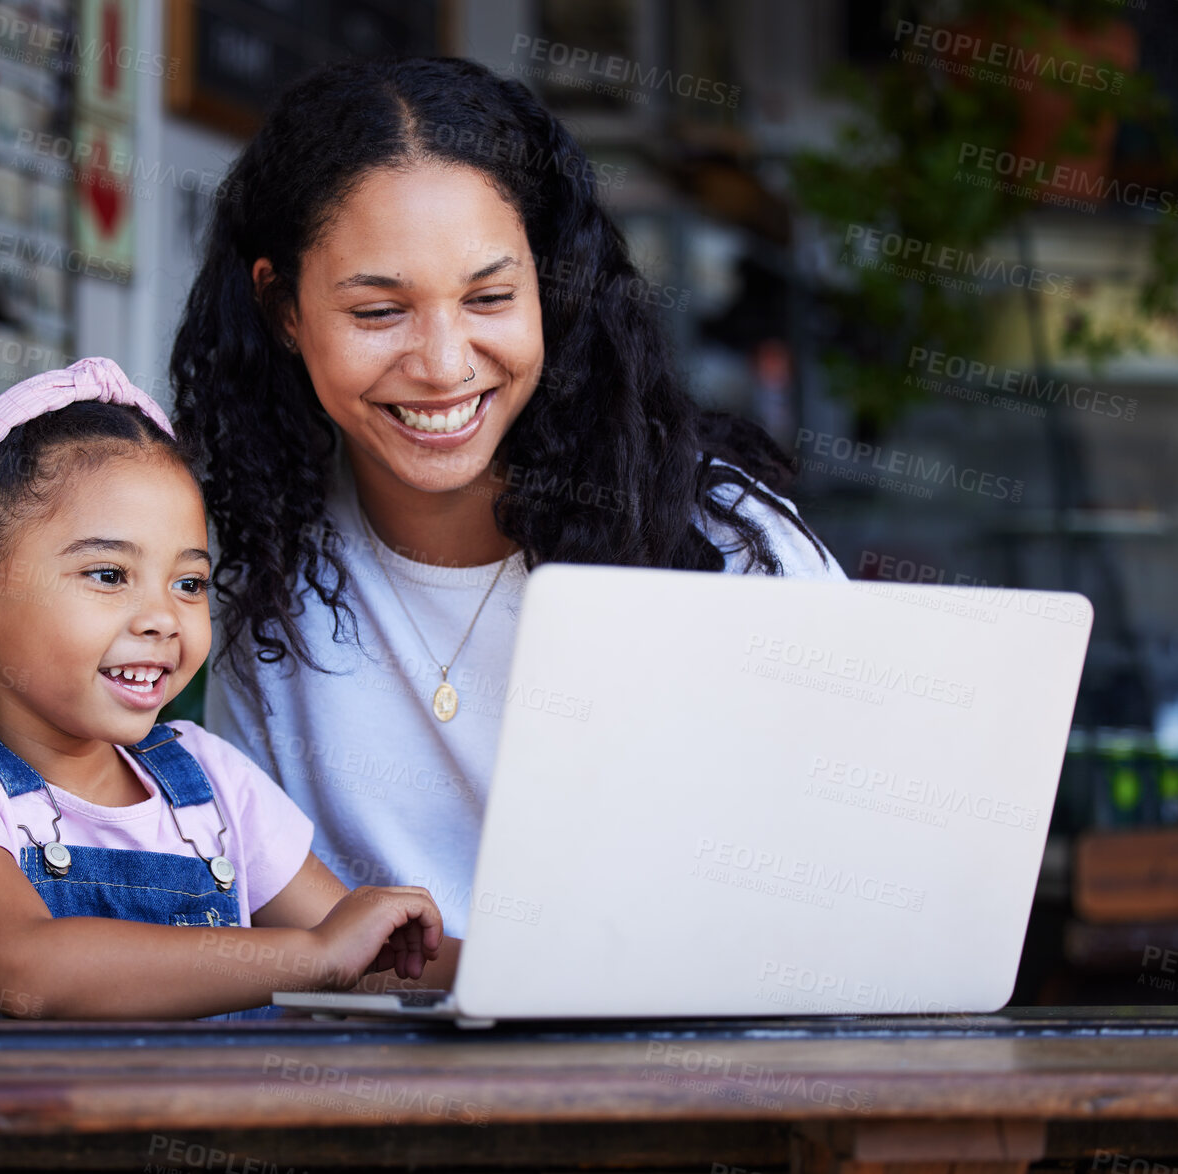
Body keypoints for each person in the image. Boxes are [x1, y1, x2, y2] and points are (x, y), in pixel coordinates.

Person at [171, 57, 848, 940]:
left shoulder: (721, 541)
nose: (446, 364)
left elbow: (845, 883)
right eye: (379, 312)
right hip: (370, 1074)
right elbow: (275, 926)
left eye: (490, 297)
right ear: (283, 310)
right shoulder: (255, 561)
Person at [0, 358, 447, 1019]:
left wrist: (528, 972)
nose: (163, 618)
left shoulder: (208, 778)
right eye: (109, 575)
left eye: (188, 584)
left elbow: (371, 959)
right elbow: (25, 968)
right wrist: (308, 958)